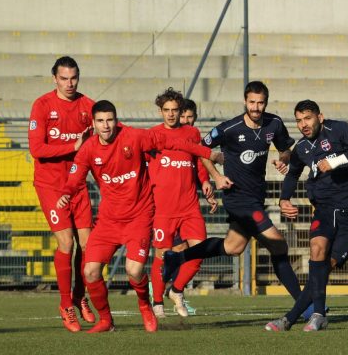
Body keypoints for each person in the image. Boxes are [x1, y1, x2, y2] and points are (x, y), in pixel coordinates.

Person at [56, 100, 223, 333]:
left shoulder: (135, 137)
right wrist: (66, 193)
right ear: (93, 124)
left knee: (134, 271)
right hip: (108, 221)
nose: (106, 126)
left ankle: (146, 305)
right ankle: (106, 320)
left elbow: (175, 143)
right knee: (89, 272)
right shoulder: (88, 149)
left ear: (116, 120)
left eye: (110, 120)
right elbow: (75, 178)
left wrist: (209, 154)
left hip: (139, 217)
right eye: (101, 121)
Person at [162, 81, 302, 303]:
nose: (256, 107)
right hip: (237, 198)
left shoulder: (273, 123)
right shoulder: (229, 128)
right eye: (252, 102)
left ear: (266, 102)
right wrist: (216, 176)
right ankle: (304, 303)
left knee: (233, 247)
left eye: (261, 103)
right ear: (245, 101)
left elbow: (285, 147)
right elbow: (202, 149)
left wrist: (284, 159)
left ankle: (177, 258)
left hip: (256, 196)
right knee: (278, 243)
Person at [265, 100, 348, 332]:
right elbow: (293, 173)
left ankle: (293, 316)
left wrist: (336, 161)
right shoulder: (303, 148)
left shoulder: (339, 130)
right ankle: (315, 314)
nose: (303, 124)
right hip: (325, 208)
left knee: (327, 265)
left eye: (307, 118)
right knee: (316, 249)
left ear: (320, 117)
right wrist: (284, 199)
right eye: (298, 120)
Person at [28, 56, 95, 332]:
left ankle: (80, 297)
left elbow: (109, 126)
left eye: (74, 78)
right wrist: (74, 146)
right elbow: (37, 149)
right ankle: (66, 304)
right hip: (51, 185)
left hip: (78, 185)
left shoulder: (87, 105)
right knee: (66, 243)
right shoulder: (42, 105)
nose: (70, 83)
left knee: (88, 247)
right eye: (64, 78)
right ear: (54, 78)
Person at [148, 89, 219, 318]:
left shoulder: (191, 132)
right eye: (166, 110)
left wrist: (205, 181)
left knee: (199, 252)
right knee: (161, 257)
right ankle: (157, 302)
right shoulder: (152, 136)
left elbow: (197, 161)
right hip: (163, 209)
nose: (170, 115)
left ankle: (176, 290)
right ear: (160, 111)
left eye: (175, 110)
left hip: (189, 206)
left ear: (181, 111)